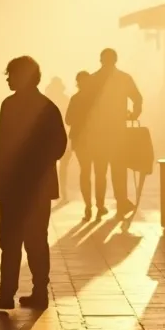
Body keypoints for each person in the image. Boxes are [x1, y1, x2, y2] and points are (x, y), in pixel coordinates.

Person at [0, 56, 67, 311]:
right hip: (36, 185)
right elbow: (59, 146)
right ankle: (38, 292)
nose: (8, 80)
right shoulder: (47, 107)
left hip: (15, 184)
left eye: (11, 75)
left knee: (12, 240)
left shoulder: (11, 105)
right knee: (35, 239)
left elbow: (3, 143)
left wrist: (3, 164)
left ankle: (8, 293)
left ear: (23, 76)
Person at [89, 48, 143, 219]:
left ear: (101, 60)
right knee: (119, 168)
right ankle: (121, 203)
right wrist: (133, 115)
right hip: (118, 131)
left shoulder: (93, 79)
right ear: (115, 60)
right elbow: (137, 98)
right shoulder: (123, 78)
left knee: (100, 170)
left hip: (98, 132)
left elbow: (85, 105)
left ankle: (100, 205)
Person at [66, 71, 97, 220]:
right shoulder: (96, 98)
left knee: (85, 172)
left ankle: (88, 205)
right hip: (95, 139)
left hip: (80, 139)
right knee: (99, 172)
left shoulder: (75, 99)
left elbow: (68, 120)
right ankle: (98, 205)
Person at [44, 77, 71, 198]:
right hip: (63, 135)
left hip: (48, 137)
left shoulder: (45, 100)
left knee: (49, 166)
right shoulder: (65, 99)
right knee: (63, 166)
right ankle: (63, 191)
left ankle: (49, 190)